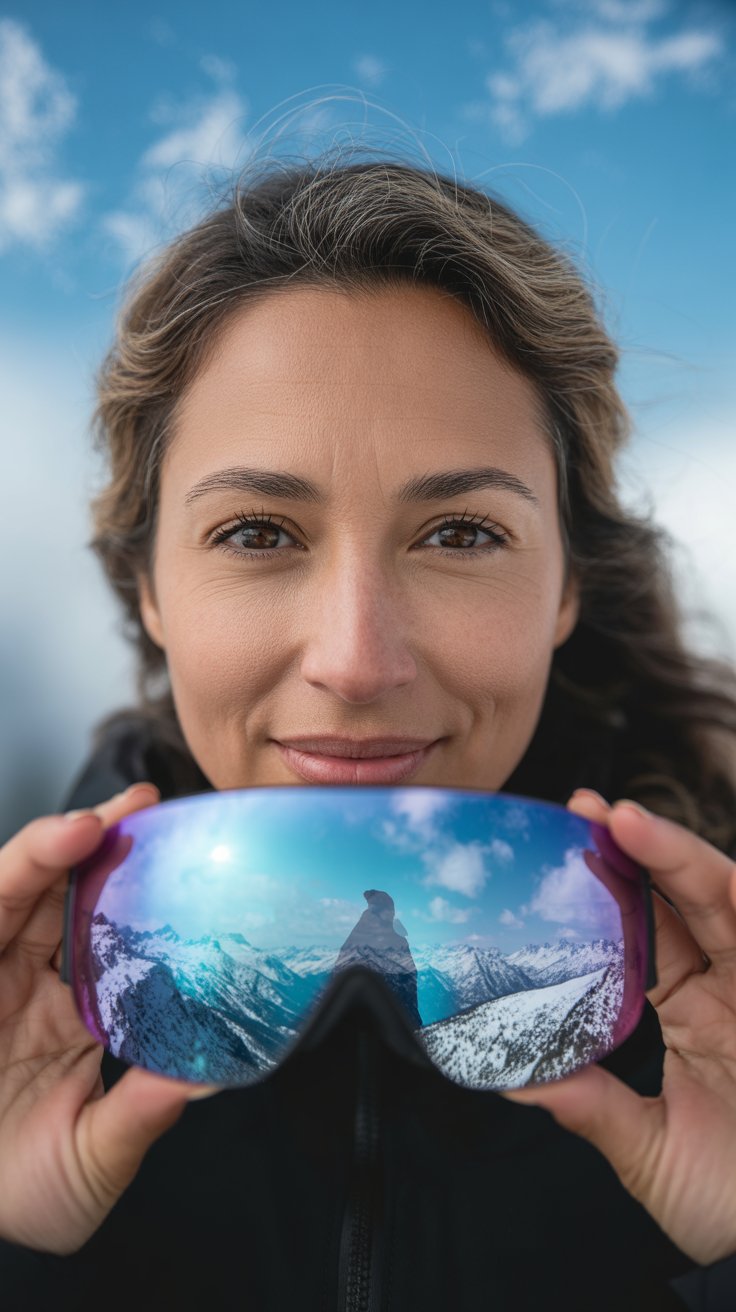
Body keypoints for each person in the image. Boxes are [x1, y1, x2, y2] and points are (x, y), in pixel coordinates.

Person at [1, 153, 736, 1312]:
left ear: (564, 589)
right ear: (146, 585)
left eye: (457, 533)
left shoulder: (716, 1027)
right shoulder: (25, 1020)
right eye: (256, 532)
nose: (355, 660)